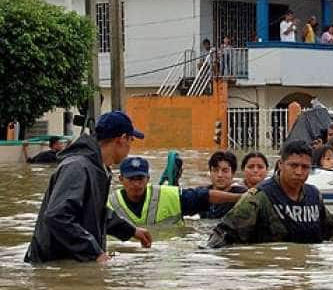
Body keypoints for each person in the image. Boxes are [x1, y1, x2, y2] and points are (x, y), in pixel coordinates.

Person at [24, 111, 152, 264]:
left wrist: (131, 231)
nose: (130, 147)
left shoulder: (98, 168)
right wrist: (94, 253)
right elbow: (57, 216)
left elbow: (94, 213)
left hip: (71, 264)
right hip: (55, 266)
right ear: (122, 139)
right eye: (131, 140)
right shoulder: (77, 167)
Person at [207, 141, 333, 247]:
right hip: (272, 272)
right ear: (281, 165)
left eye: (305, 167)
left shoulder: (314, 195)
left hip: (305, 271)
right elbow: (222, 236)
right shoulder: (259, 197)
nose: (299, 172)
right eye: (293, 166)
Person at [110, 156, 244, 224]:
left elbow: (204, 196)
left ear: (148, 179)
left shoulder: (169, 195)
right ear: (121, 179)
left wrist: (240, 198)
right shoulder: (108, 204)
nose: (136, 184)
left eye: (140, 178)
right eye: (131, 179)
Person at [197, 151, 248, 219]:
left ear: (233, 173)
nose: (219, 175)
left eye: (225, 171)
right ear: (210, 172)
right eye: (215, 170)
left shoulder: (244, 195)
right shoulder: (200, 194)